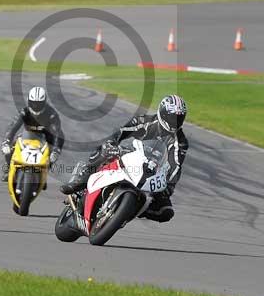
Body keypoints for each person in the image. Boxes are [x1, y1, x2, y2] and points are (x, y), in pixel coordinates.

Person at [60, 94, 189, 223]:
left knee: (166, 212)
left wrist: (169, 186)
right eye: (172, 117)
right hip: (129, 155)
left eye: (179, 118)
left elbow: (175, 165)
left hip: (152, 171)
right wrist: (112, 142)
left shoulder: (180, 142)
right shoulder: (146, 122)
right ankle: (80, 180)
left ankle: (132, 209)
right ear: (163, 113)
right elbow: (122, 131)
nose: (175, 121)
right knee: (105, 148)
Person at [0, 86, 64, 186]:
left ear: (44, 102)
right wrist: (6, 141)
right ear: (29, 101)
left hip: (45, 138)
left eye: (39, 103)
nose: (35, 106)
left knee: (52, 156)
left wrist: (56, 150)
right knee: (10, 147)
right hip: (27, 136)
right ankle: (9, 169)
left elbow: (58, 134)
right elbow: (13, 127)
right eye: (33, 102)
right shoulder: (25, 112)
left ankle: (43, 174)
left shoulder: (52, 114)